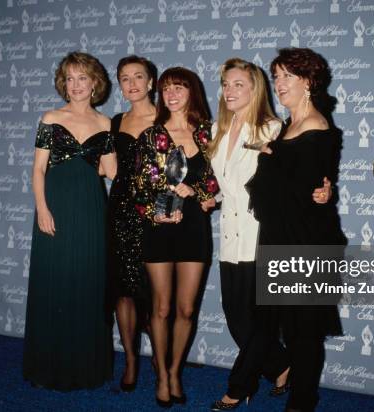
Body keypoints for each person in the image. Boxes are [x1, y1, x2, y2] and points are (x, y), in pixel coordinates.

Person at [207, 58, 332, 410]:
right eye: (226, 84)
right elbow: (228, 184)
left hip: (262, 231)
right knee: (236, 317)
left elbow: (296, 177)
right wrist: (209, 197)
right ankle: (280, 365)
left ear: (254, 89)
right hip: (230, 230)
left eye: (238, 84)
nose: (230, 91)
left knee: (258, 319)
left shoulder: (273, 128)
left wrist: (323, 190)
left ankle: (239, 386)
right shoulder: (217, 128)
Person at [243, 48, 346, 412]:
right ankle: (292, 389)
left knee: (304, 330)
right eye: (277, 76)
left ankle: (303, 402)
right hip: (280, 236)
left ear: (309, 82)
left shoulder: (317, 127)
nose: (280, 84)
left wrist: (274, 160)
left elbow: (306, 188)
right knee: (284, 324)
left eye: (288, 76)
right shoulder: (289, 126)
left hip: (304, 242)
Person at [23, 51, 116, 391]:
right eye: (70, 78)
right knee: (55, 281)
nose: (76, 85)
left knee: (89, 282)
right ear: (64, 83)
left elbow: (109, 171)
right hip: (56, 206)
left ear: (95, 83)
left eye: (83, 78)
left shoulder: (105, 123)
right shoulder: (50, 117)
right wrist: (42, 208)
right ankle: (49, 367)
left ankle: (86, 368)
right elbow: (38, 169)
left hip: (92, 208)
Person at [134, 67, 218, 408]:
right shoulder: (151, 136)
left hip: (194, 228)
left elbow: (216, 182)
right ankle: (163, 375)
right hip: (160, 227)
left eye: (179, 87)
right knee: (163, 306)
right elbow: (140, 186)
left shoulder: (208, 134)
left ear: (191, 92)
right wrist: (161, 206)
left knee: (186, 308)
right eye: (166, 88)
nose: (172, 93)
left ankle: (174, 369)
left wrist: (195, 191)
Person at [108, 55, 157, 392]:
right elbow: (106, 168)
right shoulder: (114, 122)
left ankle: (161, 358)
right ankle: (129, 360)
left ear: (151, 82)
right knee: (123, 292)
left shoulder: (168, 118)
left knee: (155, 294)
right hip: (120, 213)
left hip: (157, 217)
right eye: (125, 78)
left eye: (138, 76)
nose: (132, 84)